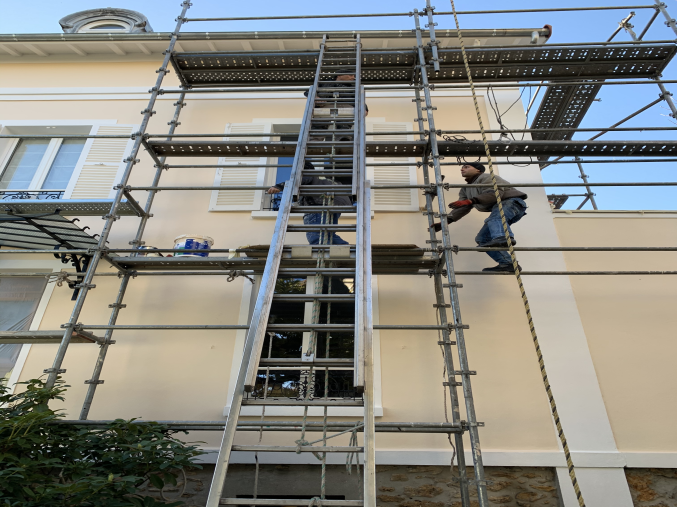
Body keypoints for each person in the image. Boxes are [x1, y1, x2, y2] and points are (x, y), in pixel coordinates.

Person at [433, 162, 528, 272]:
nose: (462, 169)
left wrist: (470, 201)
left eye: (466, 167)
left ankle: (504, 238)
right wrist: (445, 222)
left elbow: (494, 193)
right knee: (483, 239)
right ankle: (508, 263)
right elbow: (463, 207)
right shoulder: (465, 189)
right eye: (462, 168)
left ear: (478, 170)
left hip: (511, 202)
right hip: (502, 208)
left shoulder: (486, 177)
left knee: (494, 219)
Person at [267, 161, 351, 245]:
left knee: (315, 235)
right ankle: (344, 247)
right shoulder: (323, 181)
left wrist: (280, 186)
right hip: (334, 208)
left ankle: (322, 251)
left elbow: (300, 181)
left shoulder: (307, 174)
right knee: (328, 235)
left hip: (318, 208)